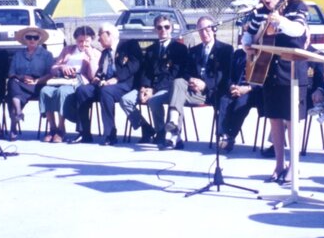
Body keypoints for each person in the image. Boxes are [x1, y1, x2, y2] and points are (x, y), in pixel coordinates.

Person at [241, 0, 309, 183]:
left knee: (291, 120)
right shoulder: (260, 12)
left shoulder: (296, 5)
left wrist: (281, 21)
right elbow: (249, 34)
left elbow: (299, 30)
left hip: (292, 71)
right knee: (275, 121)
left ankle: (294, 166)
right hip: (268, 71)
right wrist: (246, 43)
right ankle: (279, 164)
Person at [161, 15, 234, 149]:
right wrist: (191, 80)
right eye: (200, 30)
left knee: (178, 94)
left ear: (214, 29)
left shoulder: (225, 49)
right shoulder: (194, 50)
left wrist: (205, 84)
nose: (204, 33)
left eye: (207, 29)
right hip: (195, 91)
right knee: (178, 83)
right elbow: (186, 71)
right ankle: (174, 129)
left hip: (214, 91)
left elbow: (224, 74)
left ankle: (173, 135)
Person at [73, 23, 143, 145]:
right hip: (107, 84)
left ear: (109, 34)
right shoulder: (105, 52)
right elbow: (102, 71)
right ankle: (84, 133)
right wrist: (97, 77)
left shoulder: (129, 45)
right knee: (82, 90)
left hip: (126, 84)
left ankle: (110, 134)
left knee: (106, 91)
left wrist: (117, 78)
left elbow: (135, 65)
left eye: (100, 35)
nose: (98, 39)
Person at [124, 14, 189, 145]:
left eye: (166, 27)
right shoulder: (150, 50)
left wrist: (153, 90)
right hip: (149, 87)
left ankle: (161, 133)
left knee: (153, 101)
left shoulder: (179, 49)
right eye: (159, 27)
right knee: (125, 100)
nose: (163, 30)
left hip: (168, 89)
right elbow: (145, 71)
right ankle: (147, 128)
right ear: (155, 30)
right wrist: (144, 87)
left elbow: (174, 75)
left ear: (171, 29)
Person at [38, 25, 100, 143]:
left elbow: (93, 76)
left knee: (63, 92)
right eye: (80, 41)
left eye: (86, 41)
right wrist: (62, 67)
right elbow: (53, 68)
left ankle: (61, 128)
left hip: (79, 81)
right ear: (76, 40)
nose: (83, 43)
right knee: (44, 91)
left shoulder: (96, 53)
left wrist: (91, 57)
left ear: (91, 40)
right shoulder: (68, 50)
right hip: (62, 79)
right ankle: (53, 128)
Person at [6, 26, 55, 141]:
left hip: (38, 85)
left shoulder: (47, 55)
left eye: (35, 37)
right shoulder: (18, 55)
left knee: (12, 95)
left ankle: (14, 126)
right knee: (12, 83)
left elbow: (51, 73)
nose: (32, 40)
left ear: (39, 39)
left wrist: (37, 81)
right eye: (29, 37)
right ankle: (18, 111)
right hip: (20, 84)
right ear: (25, 39)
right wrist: (22, 77)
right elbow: (11, 72)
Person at [217, 46, 261, 153]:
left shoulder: (262, 53)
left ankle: (230, 136)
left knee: (241, 103)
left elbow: (262, 79)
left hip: (252, 91)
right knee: (224, 100)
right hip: (236, 88)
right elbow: (230, 74)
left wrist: (247, 88)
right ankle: (223, 134)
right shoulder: (238, 53)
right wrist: (232, 86)